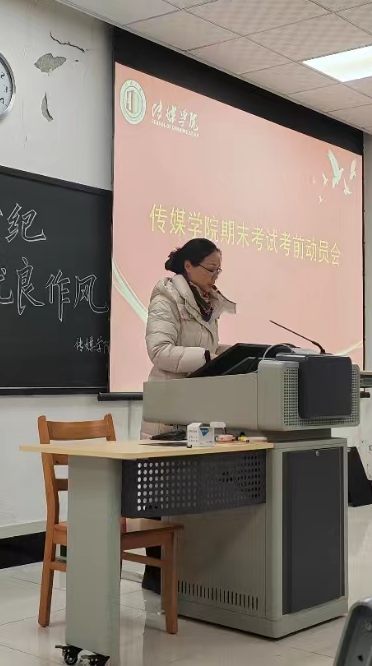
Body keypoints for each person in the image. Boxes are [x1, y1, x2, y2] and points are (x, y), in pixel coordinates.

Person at [140, 238, 236, 593]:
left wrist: (228, 353)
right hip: (169, 406)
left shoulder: (209, 303)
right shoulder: (166, 297)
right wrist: (209, 357)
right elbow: (159, 351)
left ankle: (186, 570)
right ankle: (155, 572)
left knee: (190, 492)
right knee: (160, 493)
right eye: (210, 269)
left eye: (219, 270)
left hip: (196, 405)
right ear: (189, 266)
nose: (215, 276)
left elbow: (204, 349)